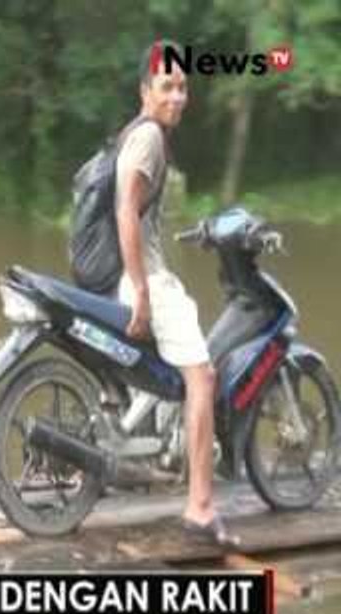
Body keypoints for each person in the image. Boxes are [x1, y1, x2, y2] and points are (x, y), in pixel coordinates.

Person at [115, 41, 239, 546]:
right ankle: (201, 507)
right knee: (203, 377)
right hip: (145, 278)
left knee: (173, 374)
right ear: (146, 92)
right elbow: (125, 210)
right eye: (167, 85)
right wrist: (143, 290)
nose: (178, 95)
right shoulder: (147, 137)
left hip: (142, 271)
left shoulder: (140, 135)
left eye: (184, 86)